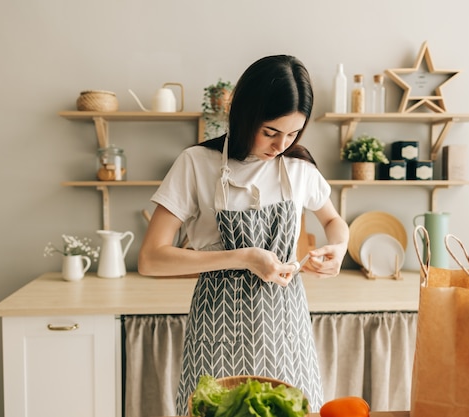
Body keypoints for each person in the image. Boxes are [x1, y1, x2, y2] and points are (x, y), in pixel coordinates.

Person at [138, 54, 349, 414]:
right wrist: (244, 257)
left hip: (286, 331)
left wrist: (340, 248)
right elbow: (151, 258)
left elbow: (333, 221)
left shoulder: (299, 168)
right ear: (245, 114)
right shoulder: (196, 164)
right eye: (270, 131)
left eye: (293, 133)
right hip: (216, 331)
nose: (281, 144)